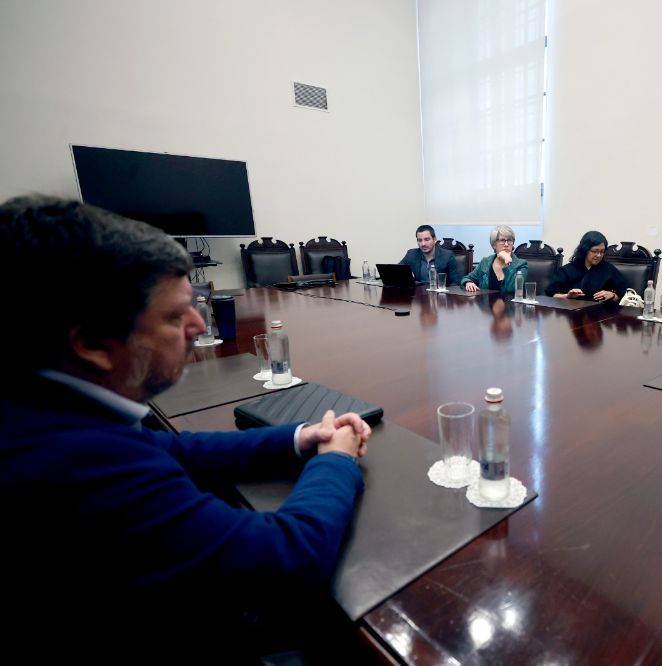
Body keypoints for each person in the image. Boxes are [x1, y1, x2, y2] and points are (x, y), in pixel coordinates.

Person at [0, 196, 373, 660]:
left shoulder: (42, 404)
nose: (200, 325)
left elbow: (164, 449)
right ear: (93, 342)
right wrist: (336, 459)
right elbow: (287, 559)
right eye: (176, 316)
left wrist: (299, 437)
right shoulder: (75, 463)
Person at [545, 230, 629, 302]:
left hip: (601, 316)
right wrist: (567, 296)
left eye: (602, 251)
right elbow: (552, 295)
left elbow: (624, 295)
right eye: (595, 251)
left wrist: (612, 295)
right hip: (571, 316)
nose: (599, 255)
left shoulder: (609, 269)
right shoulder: (566, 270)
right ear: (585, 250)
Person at [461, 224, 528, 294]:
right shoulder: (485, 262)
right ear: (494, 244)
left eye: (509, 240)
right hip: (486, 303)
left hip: (510, 304)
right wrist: (468, 282)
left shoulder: (521, 265)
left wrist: (507, 263)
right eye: (502, 240)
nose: (506, 244)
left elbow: (511, 288)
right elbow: (467, 278)